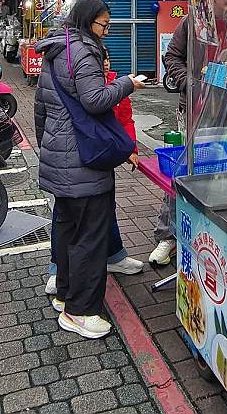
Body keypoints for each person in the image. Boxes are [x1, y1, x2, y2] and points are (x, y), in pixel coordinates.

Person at [34, 0, 146, 339]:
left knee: (69, 230)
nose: (107, 32)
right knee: (90, 238)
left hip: (61, 156)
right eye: (104, 25)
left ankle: (66, 292)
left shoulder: (58, 47)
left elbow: (40, 108)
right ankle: (80, 311)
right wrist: (128, 83)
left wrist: (49, 148)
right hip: (83, 161)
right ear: (88, 21)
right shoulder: (84, 51)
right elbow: (95, 100)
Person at [153, 0, 227, 265]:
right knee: (186, 170)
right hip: (196, 110)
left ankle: (212, 235)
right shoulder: (193, 20)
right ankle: (168, 236)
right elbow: (171, 56)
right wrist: (190, 84)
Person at [45, 47, 144, 298]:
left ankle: (114, 255)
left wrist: (130, 147)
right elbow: (43, 115)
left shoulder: (114, 86)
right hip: (73, 159)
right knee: (67, 216)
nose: (103, 66)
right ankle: (58, 271)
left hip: (101, 158)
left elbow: (125, 121)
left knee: (104, 208)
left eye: (106, 61)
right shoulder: (77, 83)